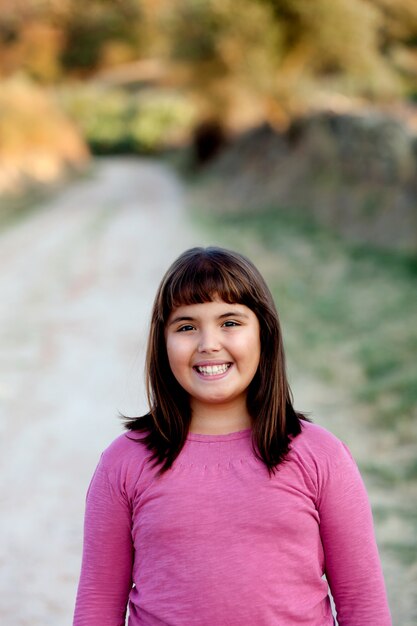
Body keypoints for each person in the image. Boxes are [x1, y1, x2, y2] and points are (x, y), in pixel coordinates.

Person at [73, 246, 391, 626]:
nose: (208, 343)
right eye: (186, 326)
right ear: (163, 343)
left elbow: (363, 604)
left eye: (230, 322)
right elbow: (97, 606)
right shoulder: (124, 463)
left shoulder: (321, 456)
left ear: (264, 333)